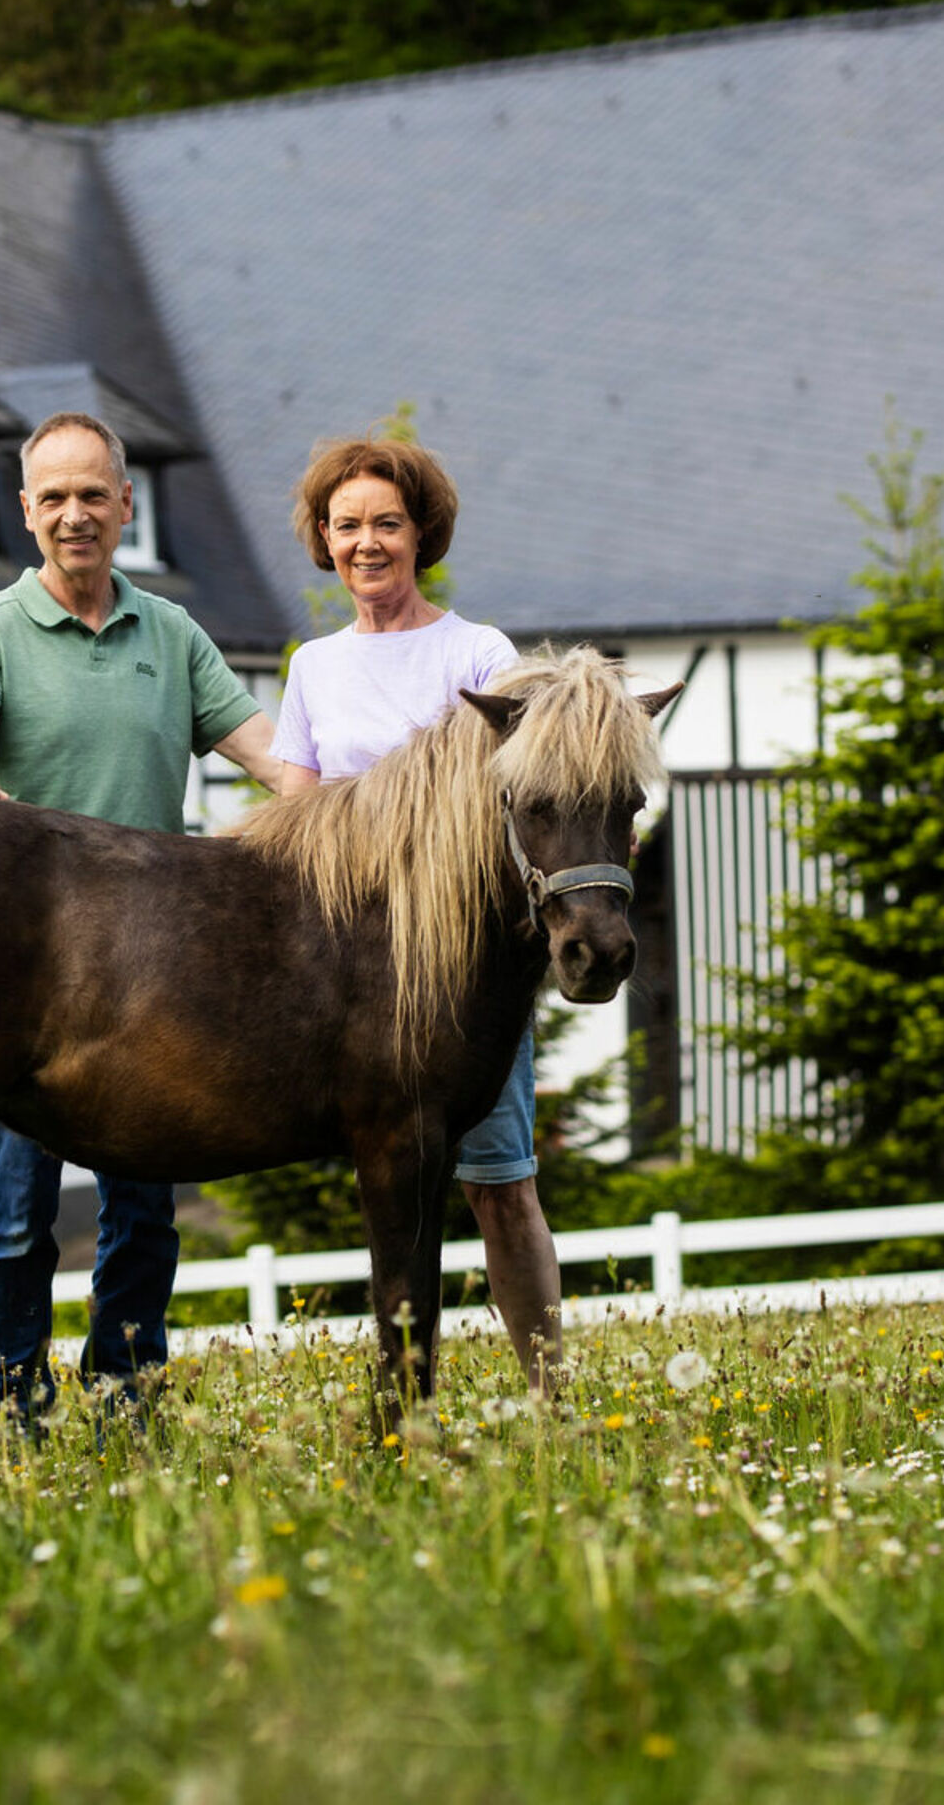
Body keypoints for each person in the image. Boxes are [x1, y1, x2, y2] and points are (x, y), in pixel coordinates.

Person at [0, 412, 282, 1419]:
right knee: (14, 1215)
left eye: (95, 494)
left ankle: (127, 1398)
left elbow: (272, 760)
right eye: (55, 497)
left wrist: (389, 805)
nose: (75, 514)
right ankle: (8, 1411)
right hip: (32, 983)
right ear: (26, 512)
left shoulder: (170, 632)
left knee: (143, 1212)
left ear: (127, 505)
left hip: (156, 974)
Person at [272, 433, 561, 1395]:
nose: (367, 543)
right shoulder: (314, 665)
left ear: (421, 532)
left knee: (502, 1187)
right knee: (390, 1189)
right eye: (346, 525)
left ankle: (551, 1393)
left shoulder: (479, 654)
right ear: (324, 539)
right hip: (348, 976)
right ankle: (409, 1392)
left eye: (386, 523)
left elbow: (520, 798)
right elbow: (298, 820)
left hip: (460, 968)